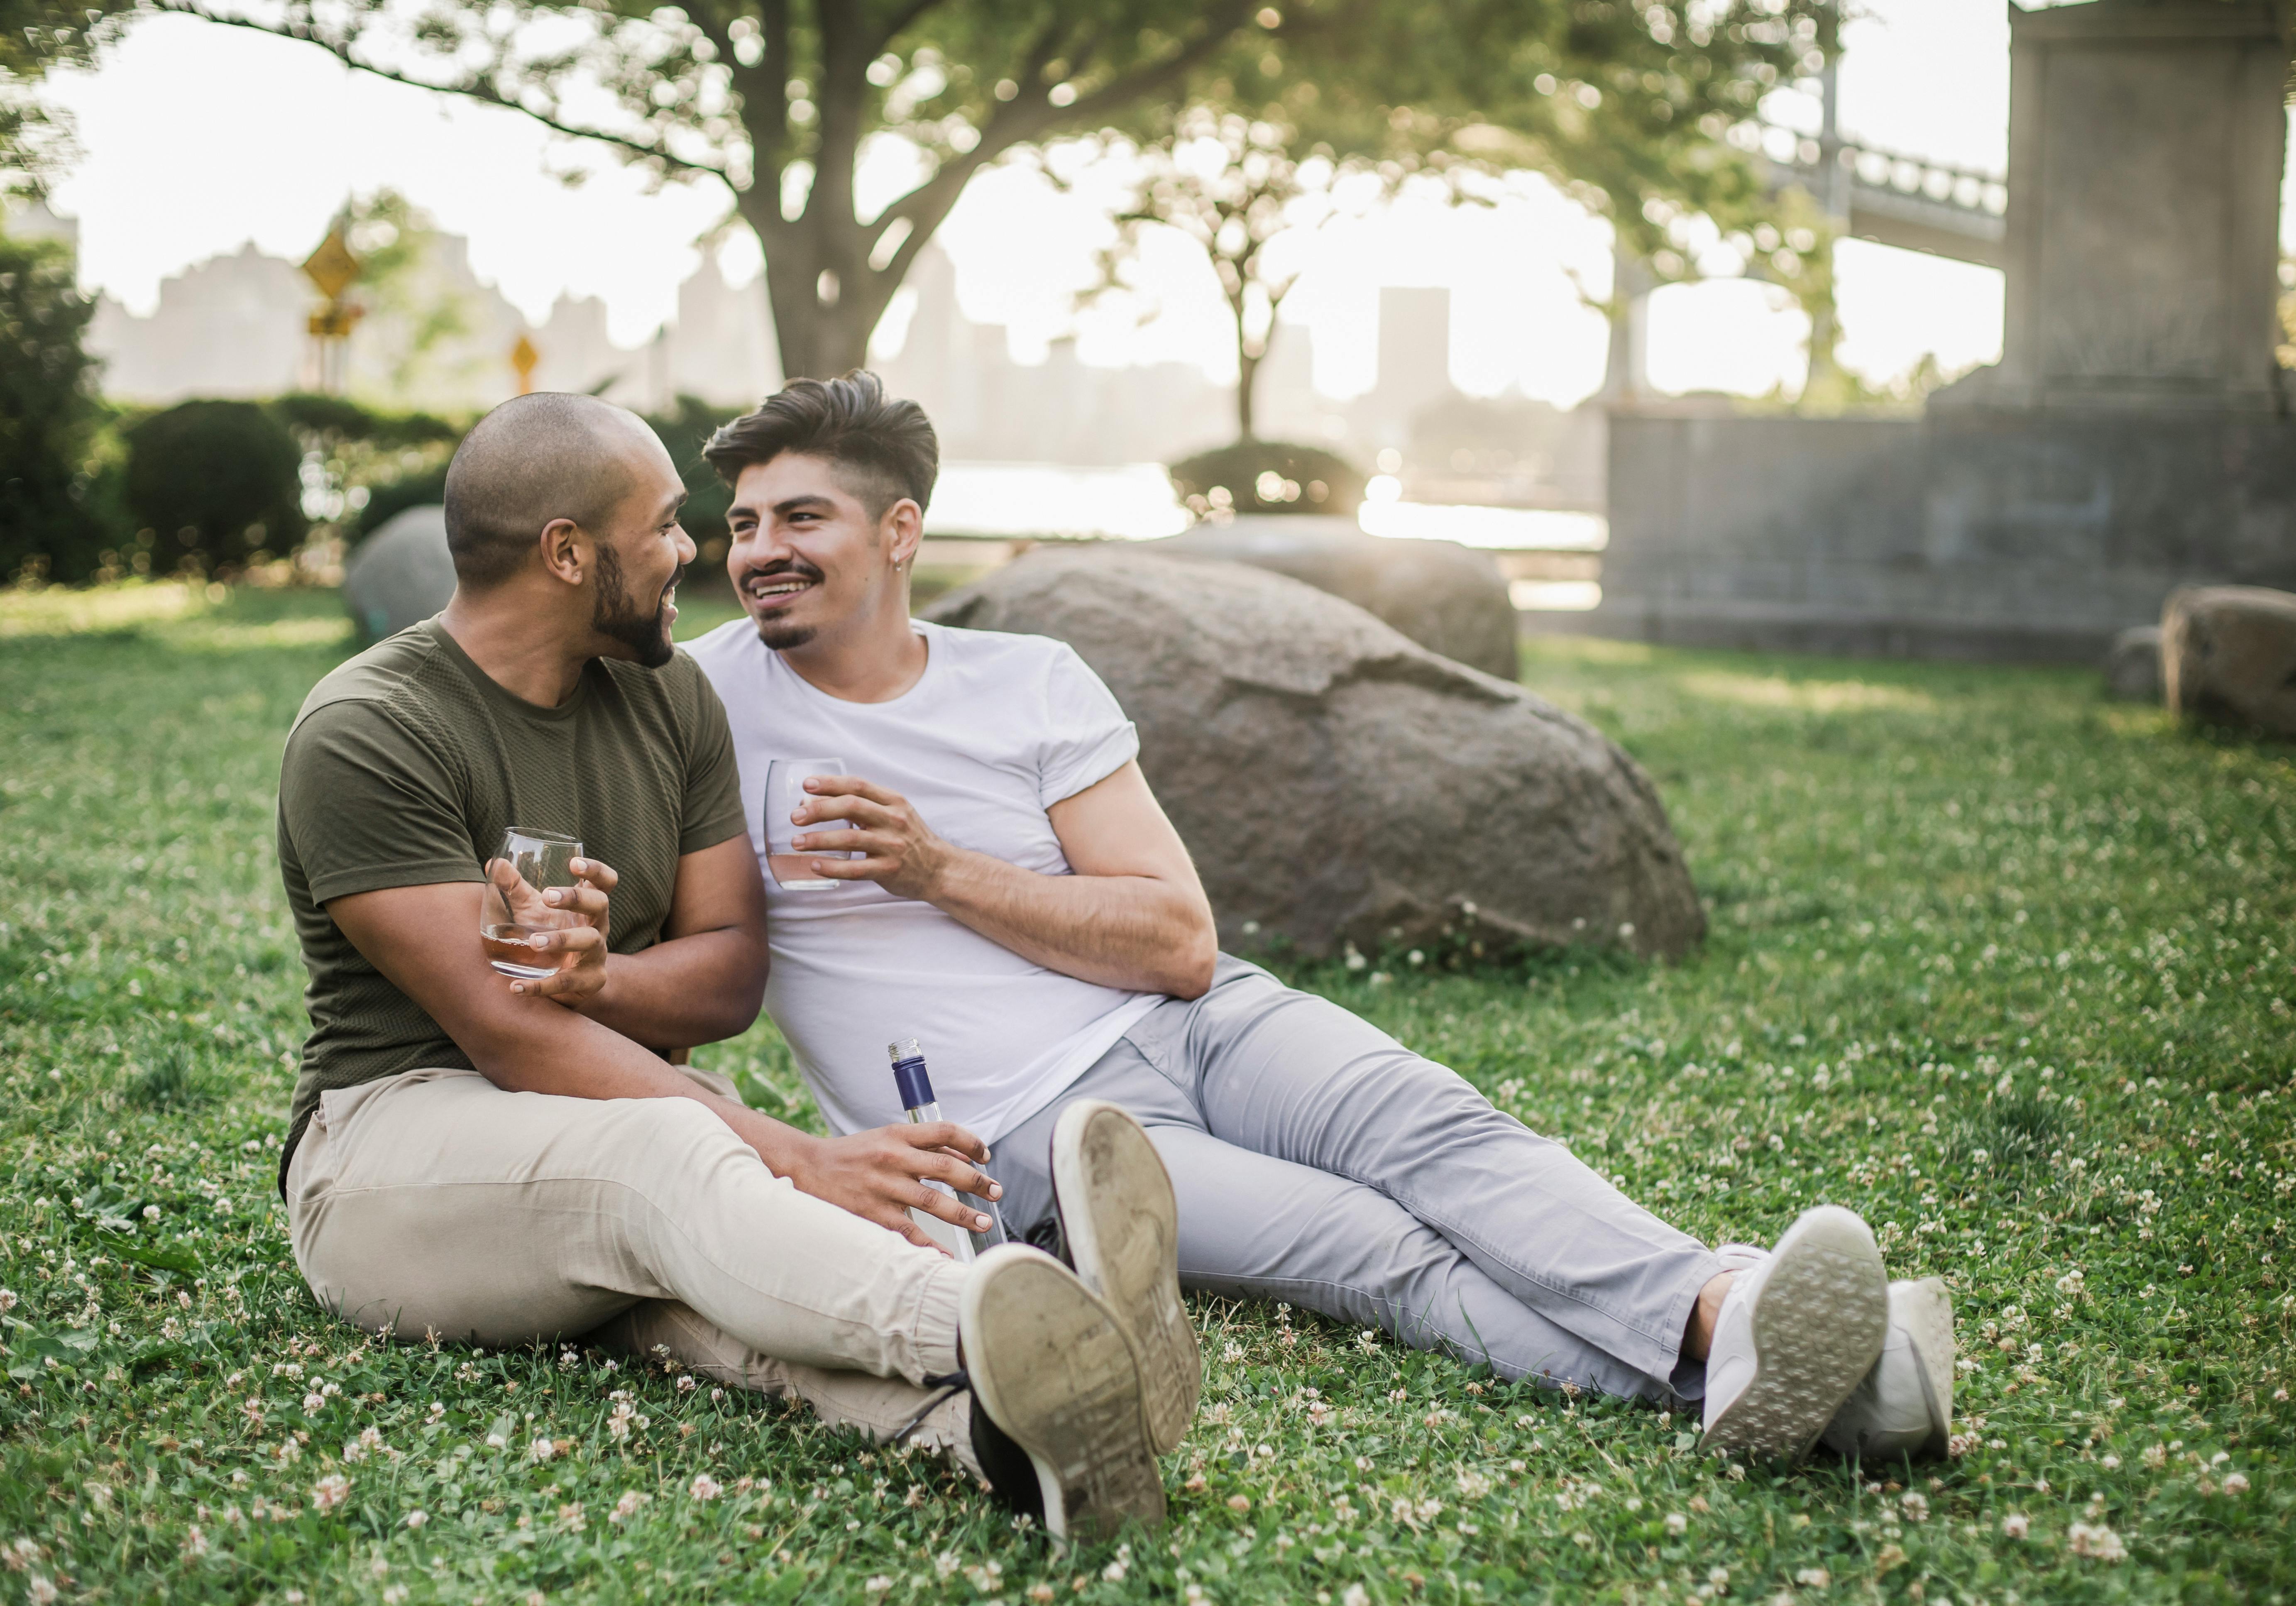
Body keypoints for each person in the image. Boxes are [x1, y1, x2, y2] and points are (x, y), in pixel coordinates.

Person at [686, 372, 1958, 1462]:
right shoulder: (704, 704)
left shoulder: (1029, 681)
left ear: (900, 530)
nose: (758, 551)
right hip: (1029, 1134)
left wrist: (938, 869)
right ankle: (1830, 1376)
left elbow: (1178, 940)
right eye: (742, 524)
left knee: (1441, 1134)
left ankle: (1732, 1313)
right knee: (1377, 1252)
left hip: (1202, 1020)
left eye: (803, 516)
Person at [273, 391, 1199, 1539]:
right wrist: (803, 1157)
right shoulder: (370, 730)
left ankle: (1008, 1450)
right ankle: (1011, 1329)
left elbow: (727, 977)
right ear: (568, 553)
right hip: (393, 1155)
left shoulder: (667, 695)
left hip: (620, 1119)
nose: (690, 551)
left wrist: (602, 979)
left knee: (748, 1288)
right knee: (694, 1166)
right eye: (663, 525)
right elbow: (506, 1032)